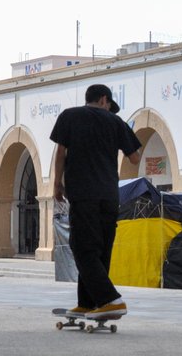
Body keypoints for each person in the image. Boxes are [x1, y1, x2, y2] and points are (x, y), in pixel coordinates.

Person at [51, 84, 142, 316]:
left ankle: (110, 299)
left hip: (83, 194)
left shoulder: (69, 116)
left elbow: (60, 152)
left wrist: (57, 183)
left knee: (82, 248)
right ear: (104, 99)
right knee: (100, 250)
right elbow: (134, 157)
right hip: (110, 196)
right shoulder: (116, 122)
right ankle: (89, 302)